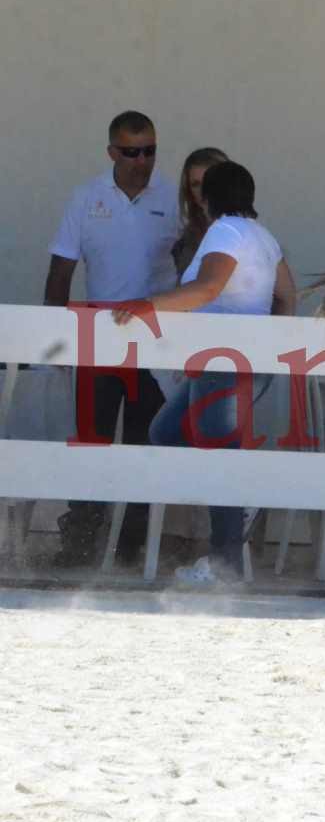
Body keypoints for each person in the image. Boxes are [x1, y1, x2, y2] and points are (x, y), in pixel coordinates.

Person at [112, 161, 297, 583]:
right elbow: (287, 295)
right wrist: (270, 343)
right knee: (167, 431)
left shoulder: (225, 231)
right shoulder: (264, 237)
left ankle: (225, 562)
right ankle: (237, 506)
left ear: (207, 198)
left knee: (214, 451)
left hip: (224, 359)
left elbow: (208, 288)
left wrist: (148, 305)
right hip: (242, 361)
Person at [44, 110, 182, 566]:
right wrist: (57, 336)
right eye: (131, 152)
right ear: (111, 153)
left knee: (146, 444)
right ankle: (80, 543)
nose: (142, 161)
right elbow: (61, 269)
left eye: (150, 151)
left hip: (156, 342)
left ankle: (130, 548)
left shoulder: (174, 198)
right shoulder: (86, 197)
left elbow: (193, 270)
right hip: (97, 340)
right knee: (92, 441)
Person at [172, 147, 229, 276]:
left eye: (210, 181)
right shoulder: (186, 240)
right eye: (196, 184)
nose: (204, 190)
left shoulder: (246, 233)